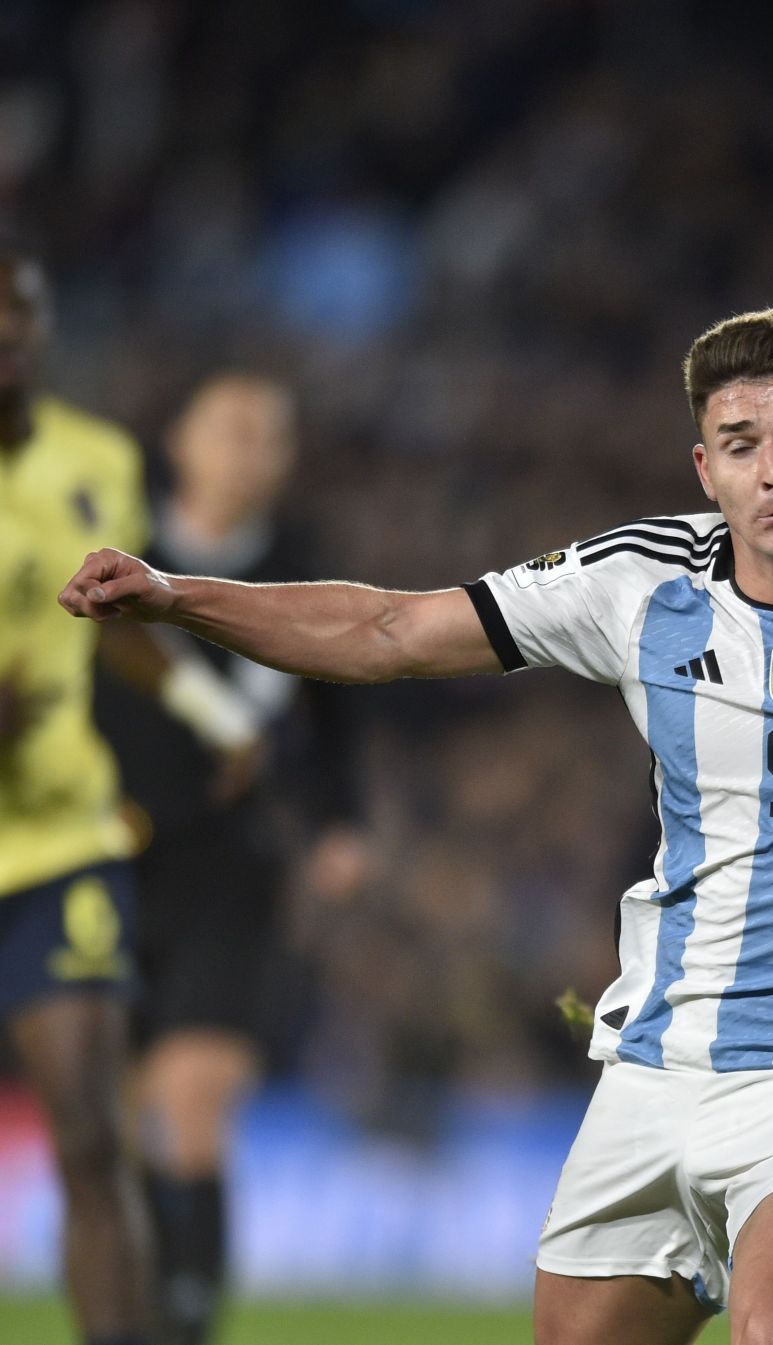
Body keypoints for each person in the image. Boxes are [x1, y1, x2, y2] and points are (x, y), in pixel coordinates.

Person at [61, 306, 773, 1345]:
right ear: (707, 470)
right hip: (658, 1063)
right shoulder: (639, 583)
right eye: (744, 444)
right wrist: (179, 594)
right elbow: (389, 630)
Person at [0, 249, 250, 1345]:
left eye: (19, 310)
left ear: (45, 327)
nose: (3, 330)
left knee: (95, 1141)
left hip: (61, 842)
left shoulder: (96, 458)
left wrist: (216, 711)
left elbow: (124, 620)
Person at [92, 373, 369, 1345]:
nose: (251, 451)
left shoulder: (304, 570)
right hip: (105, 864)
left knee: (194, 1101)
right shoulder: (121, 554)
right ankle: (137, 1302)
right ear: (180, 440)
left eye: (269, 435)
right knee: (115, 1124)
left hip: (233, 871)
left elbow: (339, 711)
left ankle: (186, 1323)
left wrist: (339, 824)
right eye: (233, 429)